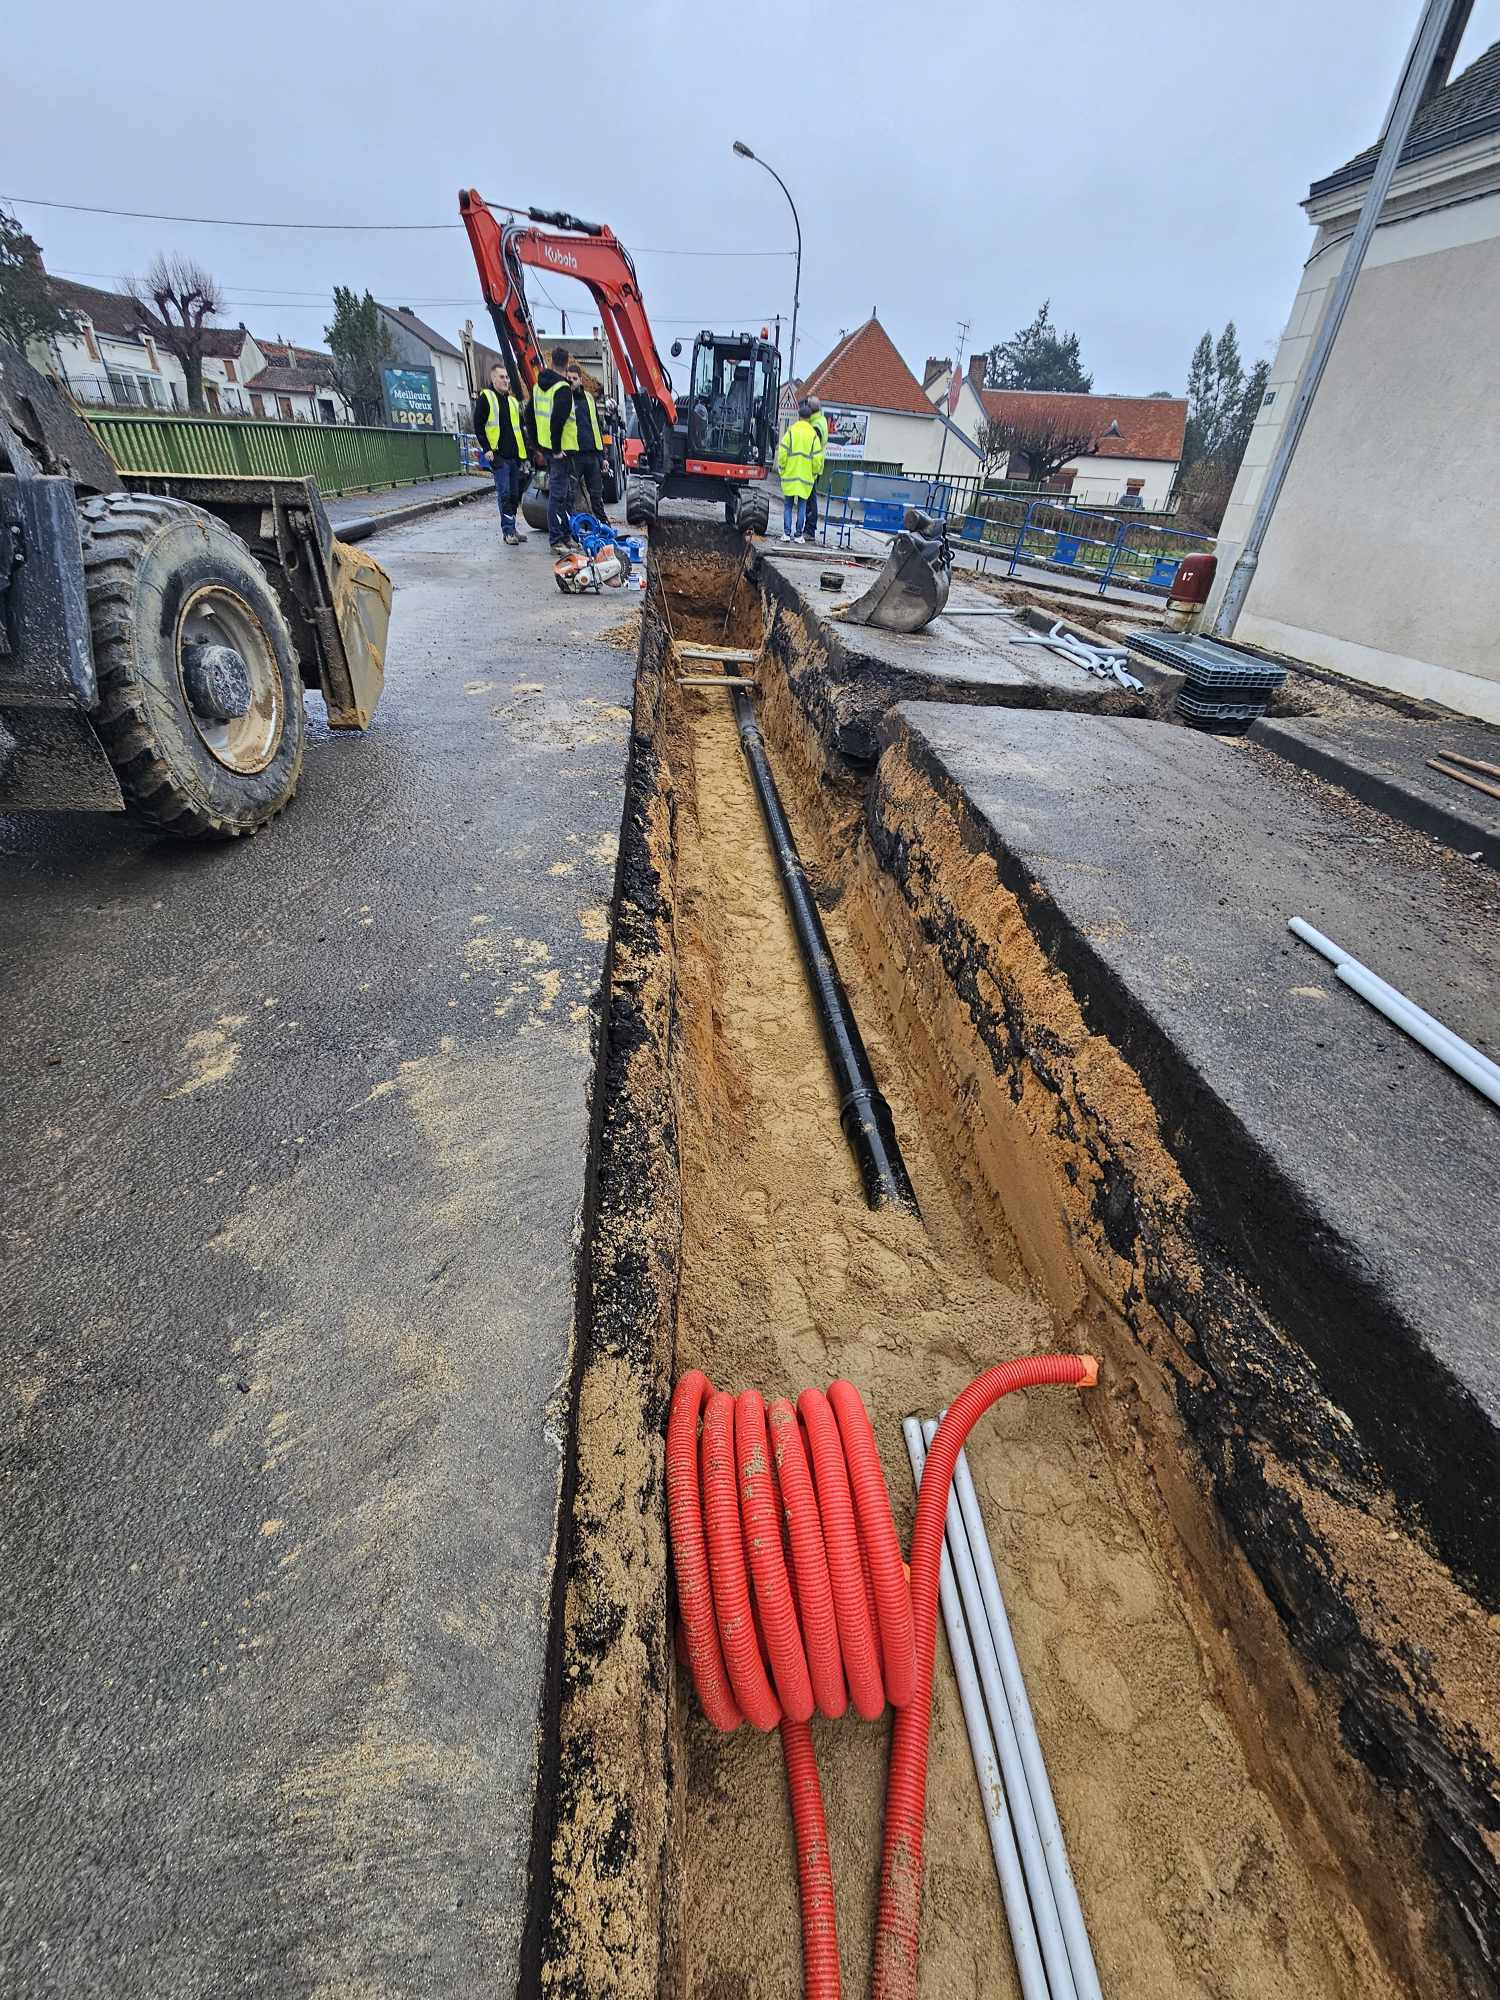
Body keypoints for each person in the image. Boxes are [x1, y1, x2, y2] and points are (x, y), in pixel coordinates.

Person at [473, 361, 529, 546]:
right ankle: (508, 531)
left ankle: (512, 527)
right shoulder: (486, 398)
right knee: (504, 494)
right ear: (493, 379)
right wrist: (487, 449)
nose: (506, 381)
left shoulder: (512, 401)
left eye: (507, 377)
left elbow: (519, 428)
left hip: (514, 456)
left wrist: (525, 455)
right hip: (499, 456)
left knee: (514, 495)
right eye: (502, 377)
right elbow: (479, 425)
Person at [531, 345, 577, 552]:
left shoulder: (538, 387)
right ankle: (556, 540)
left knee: (565, 495)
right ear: (566, 365)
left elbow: (529, 417)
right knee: (558, 496)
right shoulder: (563, 389)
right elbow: (557, 421)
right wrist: (557, 448)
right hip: (560, 451)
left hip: (548, 448)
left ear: (551, 362)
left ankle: (566, 536)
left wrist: (537, 445)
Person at [565, 363, 610, 522]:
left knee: (596, 496)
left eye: (574, 379)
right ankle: (571, 529)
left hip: (592, 455)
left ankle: (605, 528)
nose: (571, 381)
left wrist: (603, 456)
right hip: (574, 455)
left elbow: (596, 427)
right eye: (568, 378)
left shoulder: (589, 398)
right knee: (569, 494)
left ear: (580, 380)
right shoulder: (563, 398)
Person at [776, 398, 823, 541]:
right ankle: (798, 535)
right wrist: (814, 473)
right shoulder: (813, 435)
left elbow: (783, 453)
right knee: (802, 507)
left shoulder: (791, 432)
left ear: (799, 416)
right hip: (805, 478)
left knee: (788, 506)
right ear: (809, 418)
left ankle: (786, 533)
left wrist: (782, 470)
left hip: (790, 475)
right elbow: (817, 459)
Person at [803, 397, 829, 544]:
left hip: (813, 467)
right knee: (809, 498)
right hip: (815, 465)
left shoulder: (816, 425)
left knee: (810, 499)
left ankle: (810, 530)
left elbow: (812, 445)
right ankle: (809, 528)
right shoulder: (820, 420)